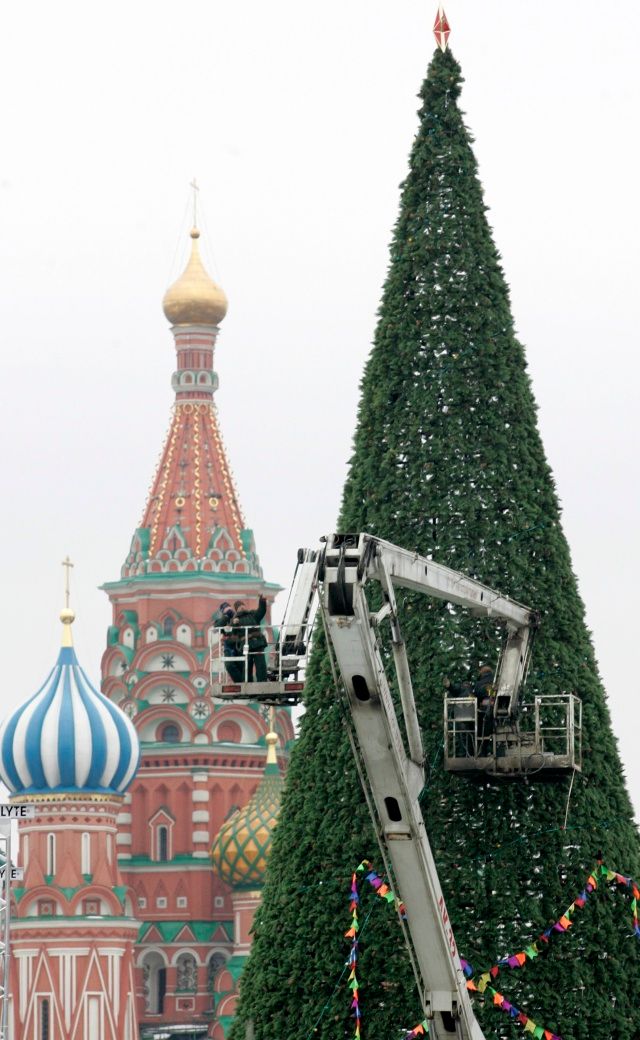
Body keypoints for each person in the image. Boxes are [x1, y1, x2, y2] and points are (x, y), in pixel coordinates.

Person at [233, 595, 268, 682]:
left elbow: (261, 611)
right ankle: (247, 682)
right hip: (246, 645)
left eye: (242, 605)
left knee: (261, 665)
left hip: (257, 642)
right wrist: (234, 624)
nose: (241, 607)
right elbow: (233, 632)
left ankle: (262, 682)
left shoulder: (253, 614)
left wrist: (262, 601)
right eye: (238, 607)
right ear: (236, 610)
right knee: (247, 665)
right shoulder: (235, 620)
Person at [212, 601, 244, 682]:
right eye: (225, 609)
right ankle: (240, 682)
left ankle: (242, 682)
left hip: (239, 644)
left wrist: (234, 617)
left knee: (241, 665)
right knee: (229, 665)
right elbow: (216, 628)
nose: (228, 610)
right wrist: (226, 616)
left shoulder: (238, 617)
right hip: (228, 645)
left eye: (228, 608)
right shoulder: (220, 620)